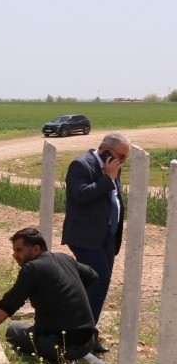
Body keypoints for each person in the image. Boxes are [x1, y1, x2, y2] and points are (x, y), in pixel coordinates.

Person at [0, 228, 99, 364]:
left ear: (36, 249)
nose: (14, 255)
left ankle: (60, 358)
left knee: (13, 330)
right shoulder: (64, 258)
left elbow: (10, 302)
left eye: (19, 250)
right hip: (88, 341)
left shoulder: (32, 268)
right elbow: (93, 276)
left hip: (61, 345)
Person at [61, 132, 128, 326]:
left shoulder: (114, 168)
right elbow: (81, 195)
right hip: (84, 236)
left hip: (107, 235)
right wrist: (107, 178)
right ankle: (83, 332)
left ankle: (86, 330)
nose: (123, 161)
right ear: (107, 152)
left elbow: (113, 199)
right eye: (122, 156)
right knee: (99, 280)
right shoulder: (81, 165)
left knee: (98, 283)